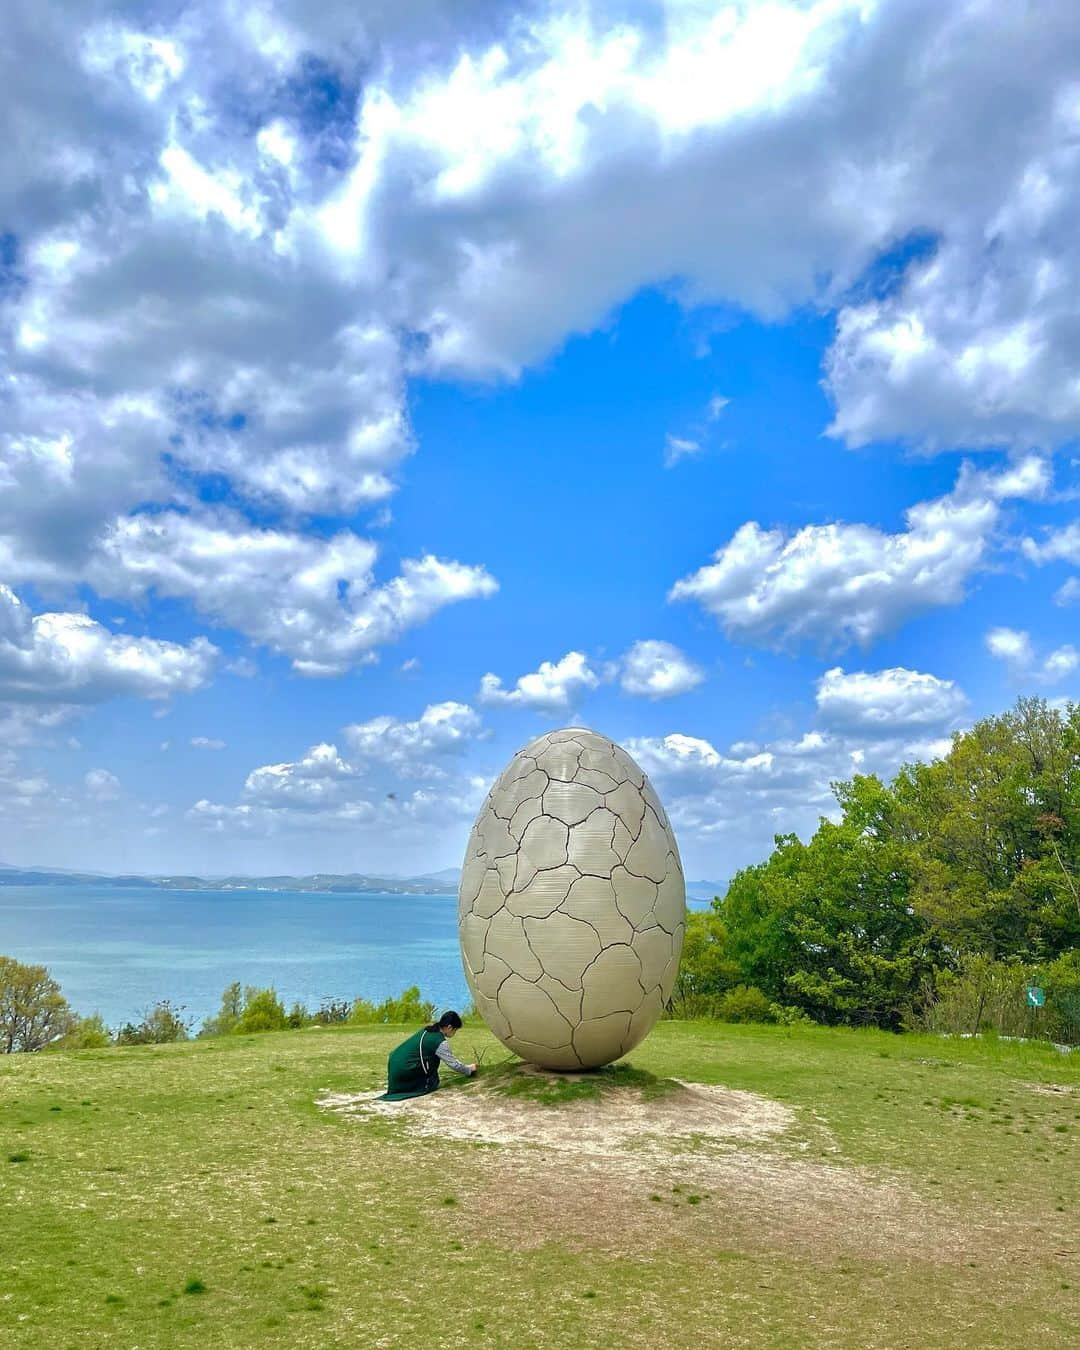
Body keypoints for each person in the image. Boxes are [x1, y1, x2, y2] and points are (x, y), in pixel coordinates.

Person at [379, 1010, 477, 1101]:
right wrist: (469, 1069)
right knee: (432, 1082)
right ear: (449, 1027)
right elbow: (453, 1064)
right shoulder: (439, 1042)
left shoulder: (428, 1030)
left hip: (394, 1063)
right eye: (455, 1030)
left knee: (434, 1077)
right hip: (403, 1069)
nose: (454, 1033)